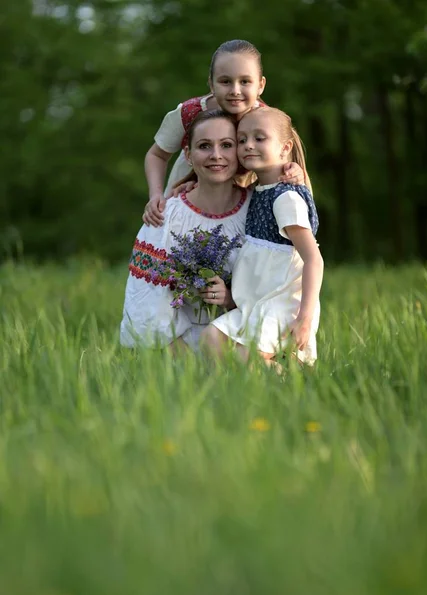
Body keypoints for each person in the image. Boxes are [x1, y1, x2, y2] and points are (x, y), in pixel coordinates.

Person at [201, 107, 324, 366]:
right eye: (242, 139)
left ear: (284, 147)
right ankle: (279, 376)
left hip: (282, 304)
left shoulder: (286, 198)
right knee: (211, 338)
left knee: (246, 358)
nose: (248, 145)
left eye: (259, 138)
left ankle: (293, 384)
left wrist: (305, 318)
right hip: (256, 303)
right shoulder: (259, 191)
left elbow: (314, 260)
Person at [120, 110, 250, 351]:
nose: (216, 155)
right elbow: (145, 306)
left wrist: (232, 298)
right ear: (188, 155)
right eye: (204, 146)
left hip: (241, 343)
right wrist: (191, 369)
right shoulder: (165, 217)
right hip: (178, 353)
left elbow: (279, 286)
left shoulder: (260, 211)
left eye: (227, 145)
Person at [143, 39, 309, 228]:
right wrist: (155, 195)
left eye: (245, 81)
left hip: (240, 201)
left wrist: (292, 172)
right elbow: (157, 154)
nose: (235, 91)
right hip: (188, 189)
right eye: (225, 82)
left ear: (261, 85)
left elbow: (279, 169)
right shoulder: (189, 114)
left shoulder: (266, 124)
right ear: (211, 84)